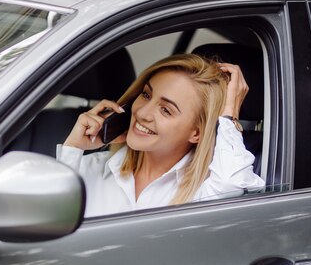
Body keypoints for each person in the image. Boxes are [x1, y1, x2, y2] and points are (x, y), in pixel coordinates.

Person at [57, 53, 265, 217]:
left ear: (197, 133)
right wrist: (73, 148)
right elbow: (44, 228)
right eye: (146, 95)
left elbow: (232, 184)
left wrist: (229, 117)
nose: (142, 113)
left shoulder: (204, 191)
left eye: (166, 110)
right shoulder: (89, 168)